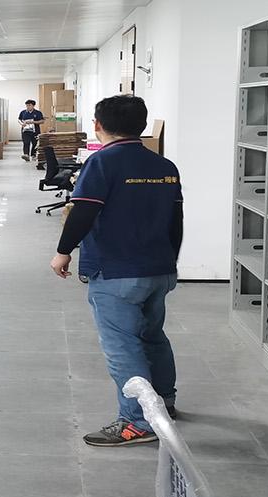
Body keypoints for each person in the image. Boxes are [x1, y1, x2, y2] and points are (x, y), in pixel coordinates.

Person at [50, 95, 182, 446]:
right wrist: (170, 260)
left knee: (122, 346)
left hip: (118, 271)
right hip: (159, 269)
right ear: (142, 124)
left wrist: (63, 252)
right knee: (153, 336)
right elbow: (176, 220)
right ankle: (164, 404)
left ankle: (138, 421)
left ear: (98, 125)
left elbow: (83, 211)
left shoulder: (102, 162)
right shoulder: (164, 165)